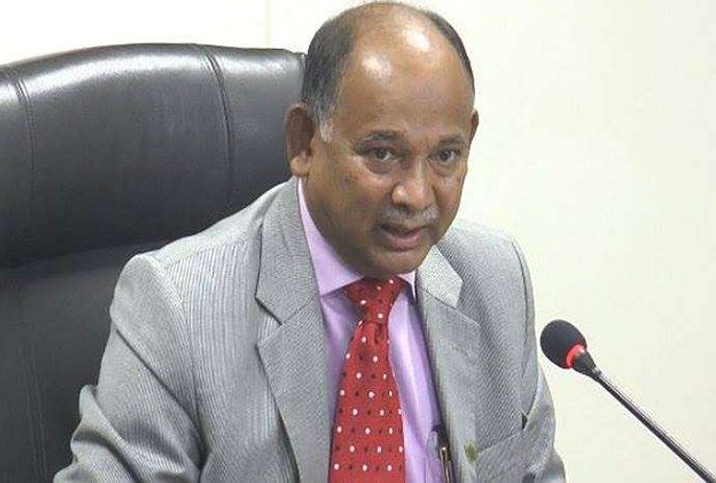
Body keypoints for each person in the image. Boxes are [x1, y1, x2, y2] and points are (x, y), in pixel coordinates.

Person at [55, 2, 564, 481]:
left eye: (445, 156)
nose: (415, 194)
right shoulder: (178, 307)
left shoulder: (495, 279)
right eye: (382, 154)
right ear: (304, 141)